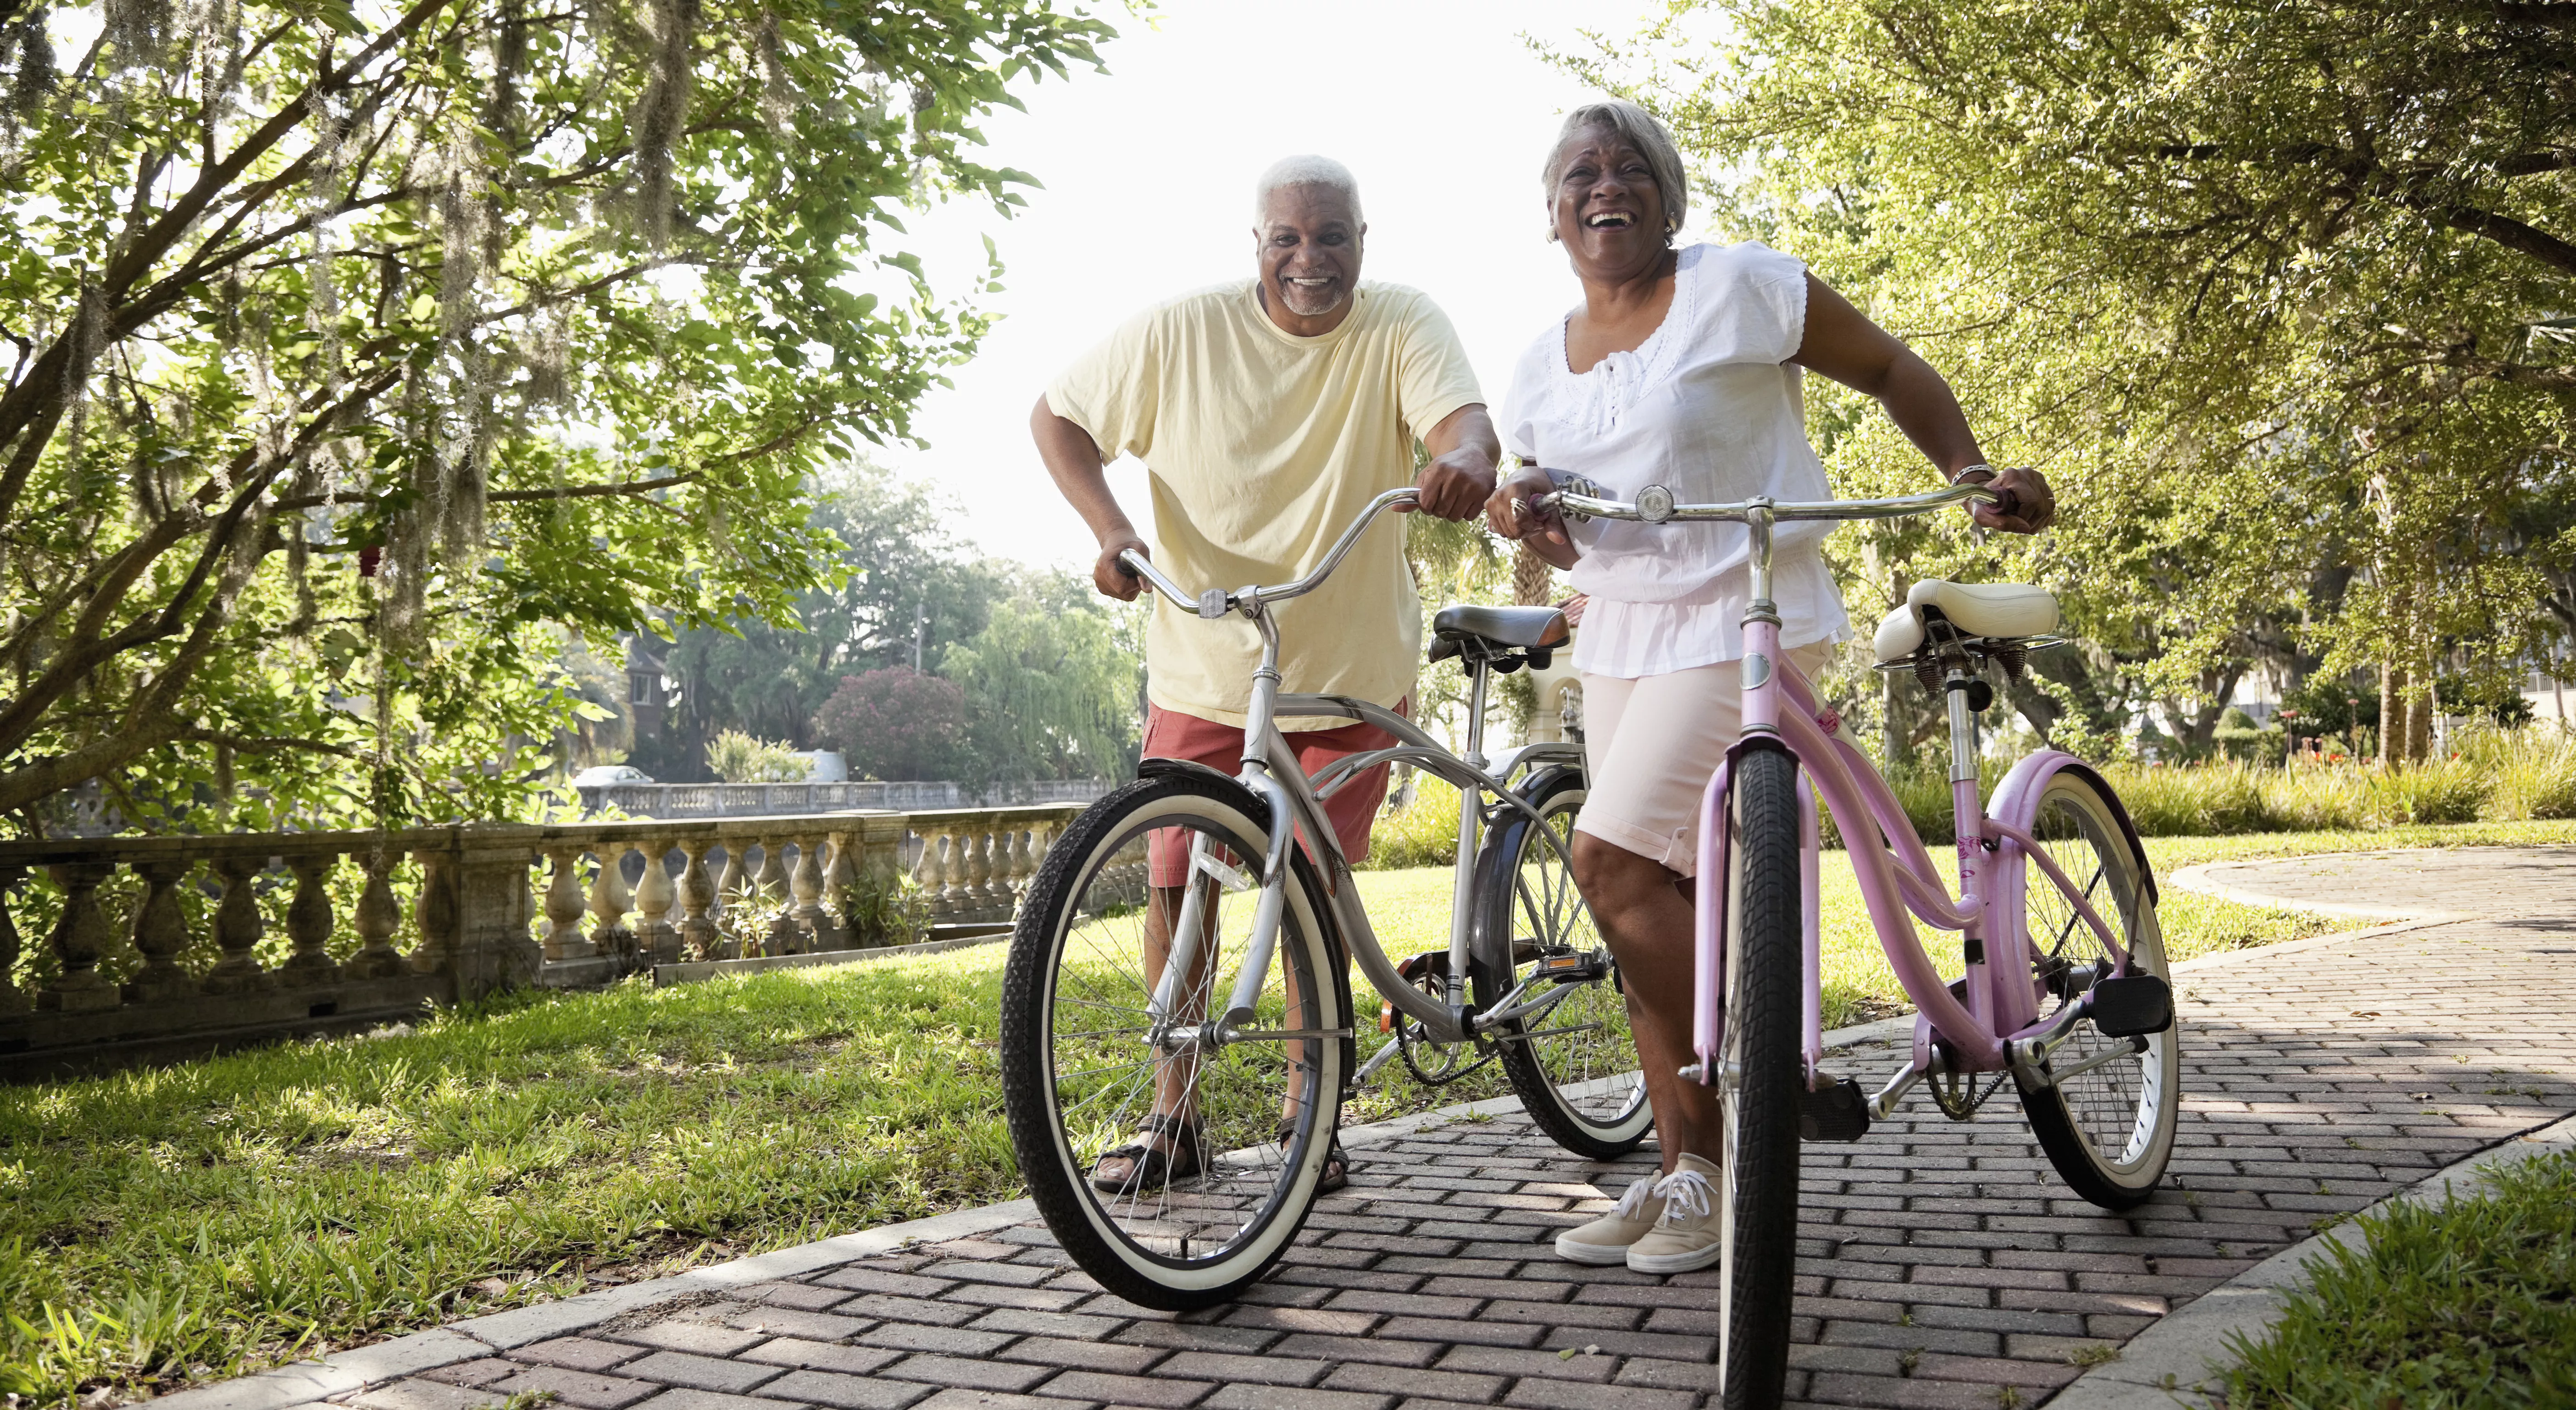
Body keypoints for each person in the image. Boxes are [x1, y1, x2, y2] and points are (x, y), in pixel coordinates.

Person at [1484, 100, 2055, 1273]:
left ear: (1667, 194)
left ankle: (1755, 1093)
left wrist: (1966, 469)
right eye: (1580, 173)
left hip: (1748, 608)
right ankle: (1690, 1176)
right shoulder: (1538, 363)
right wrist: (1521, 515)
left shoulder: (1738, 286)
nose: (1606, 187)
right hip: (1627, 632)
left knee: (1610, 863)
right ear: (1551, 214)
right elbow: (1547, 509)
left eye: (1630, 167)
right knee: (1645, 902)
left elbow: (1891, 365)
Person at [1034, 154, 1500, 1194]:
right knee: (1176, 886)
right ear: (1256, 246)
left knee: (1312, 892)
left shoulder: (1399, 322)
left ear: (1363, 244)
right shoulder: (1179, 333)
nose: (1309, 258)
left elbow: (1461, 423)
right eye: (1286, 238)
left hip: (1345, 670)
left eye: (1331, 235)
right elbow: (1057, 416)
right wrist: (1110, 527)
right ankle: (1176, 1116)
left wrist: (1465, 459)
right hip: (1205, 659)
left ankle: (1311, 1115)